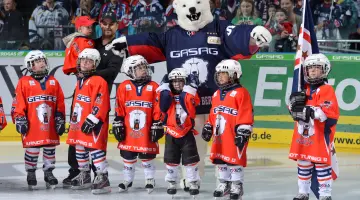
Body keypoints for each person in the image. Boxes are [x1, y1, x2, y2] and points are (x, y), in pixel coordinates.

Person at [106, 0, 271, 190]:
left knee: (224, 145)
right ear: (177, 8)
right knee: (191, 147)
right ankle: (192, 179)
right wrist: (127, 44)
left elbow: (236, 35)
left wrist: (252, 36)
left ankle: (224, 182)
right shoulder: (172, 35)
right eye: (185, 5)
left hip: (218, 102)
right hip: (186, 104)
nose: (192, 8)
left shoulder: (218, 27)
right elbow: (151, 41)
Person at [62, 11, 123, 188]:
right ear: (100, 25)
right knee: (77, 135)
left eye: (111, 24)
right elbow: (77, 55)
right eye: (104, 23)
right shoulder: (92, 42)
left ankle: (100, 174)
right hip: (82, 93)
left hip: (99, 96)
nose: (107, 27)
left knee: (95, 136)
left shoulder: (118, 46)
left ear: (117, 26)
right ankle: (78, 172)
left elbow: (112, 71)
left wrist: (91, 73)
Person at [11, 50, 66, 190]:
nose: (42, 62)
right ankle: (31, 173)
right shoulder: (23, 82)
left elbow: (60, 102)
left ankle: (49, 173)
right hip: (32, 124)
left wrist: (60, 118)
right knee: (32, 149)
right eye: (38, 61)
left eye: (43, 60)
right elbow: (18, 103)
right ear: (30, 66)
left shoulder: (54, 82)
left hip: (49, 125)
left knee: (49, 148)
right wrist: (20, 118)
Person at [288, 53, 339, 200]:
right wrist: (292, 107)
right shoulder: (304, 90)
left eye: (317, 68)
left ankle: (325, 195)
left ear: (325, 70)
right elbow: (295, 111)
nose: (313, 71)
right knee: (303, 163)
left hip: (319, 135)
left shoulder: (326, 89)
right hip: (302, 136)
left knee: (322, 165)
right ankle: (303, 192)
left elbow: (328, 112)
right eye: (310, 68)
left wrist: (310, 111)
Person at [202, 59, 253, 200]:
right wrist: (208, 126)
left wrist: (243, 130)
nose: (220, 77)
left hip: (233, 134)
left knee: (234, 160)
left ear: (234, 75)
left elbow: (246, 112)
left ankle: (237, 184)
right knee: (220, 159)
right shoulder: (216, 94)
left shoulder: (241, 93)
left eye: (224, 74)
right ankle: (223, 183)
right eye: (219, 74)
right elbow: (213, 113)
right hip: (220, 134)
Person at [112, 55, 163, 193]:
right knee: (128, 155)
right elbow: (120, 107)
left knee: (147, 156)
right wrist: (118, 122)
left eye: (144, 67)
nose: (144, 70)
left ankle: (149, 179)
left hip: (146, 129)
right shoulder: (124, 87)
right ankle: (127, 179)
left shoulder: (154, 87)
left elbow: (158, 108)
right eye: (139, 68)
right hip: (129, 130)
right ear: (130, 71)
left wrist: (157, 123)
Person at [66, 48, 111, 194]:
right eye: (83, 59)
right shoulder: (80, 80)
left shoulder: (99, 81)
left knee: (94, 148)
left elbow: (101, 101)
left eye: (90, 60)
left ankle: (102, 177)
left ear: (95, 64)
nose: (85, 62)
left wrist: (93, 118)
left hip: (93, 123)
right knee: (79, 147)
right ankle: (84, 175)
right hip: (78, 123)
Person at [156, 68, 201, 198]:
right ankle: (171, 182)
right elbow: (162, 108)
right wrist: (164, 89)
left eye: (180, 81)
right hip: (171, 132)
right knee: (171, 160)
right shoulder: (166, 95)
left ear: (185, 82)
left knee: (190, 161)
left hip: (186, 132)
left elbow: (191, 109)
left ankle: (192, 182)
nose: (177, 84)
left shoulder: (190, 95)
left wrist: (190, 88)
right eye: (174, 81)